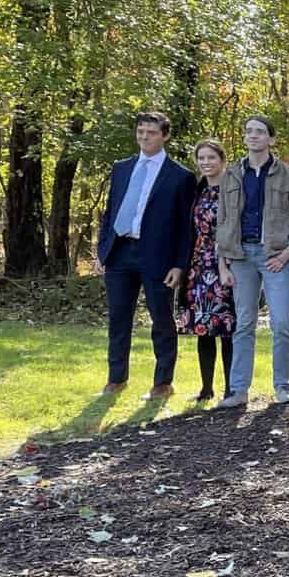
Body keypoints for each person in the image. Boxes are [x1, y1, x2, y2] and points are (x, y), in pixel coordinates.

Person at [213, 116, 289, 410]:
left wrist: (287, 253)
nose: (253, 136)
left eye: (259, 132)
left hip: (276, 258)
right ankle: (238, 391)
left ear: (271, 139)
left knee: (281, 323)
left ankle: (282, 387)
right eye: (248, 132)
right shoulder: (231, 175)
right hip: (241, 257)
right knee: (244, 324)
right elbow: (223, 222)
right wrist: (223, 264)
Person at [98, 114, 196, 399]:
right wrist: (103, 249)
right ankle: (116, 379)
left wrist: (179, 265)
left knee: (161, 319)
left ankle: (162, 382)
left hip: (158, 257)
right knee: (118, 318)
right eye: (140, 131)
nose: (144, 137)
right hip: (119, 253)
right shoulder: (121, 168)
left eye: (151, 132)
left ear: (164, 136)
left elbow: (184, 228)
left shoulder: (180, 176)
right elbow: (110, 211)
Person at [178, 139, 236, 402]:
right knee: (203, 327)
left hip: (226, 262)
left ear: (222, 160)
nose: (206, 163)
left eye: (211, 158)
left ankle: (231, 387)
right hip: (199, 266)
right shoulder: (197, 191)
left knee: (226, 328)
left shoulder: (233, 188)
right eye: (201, 158)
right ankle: (206, 388)